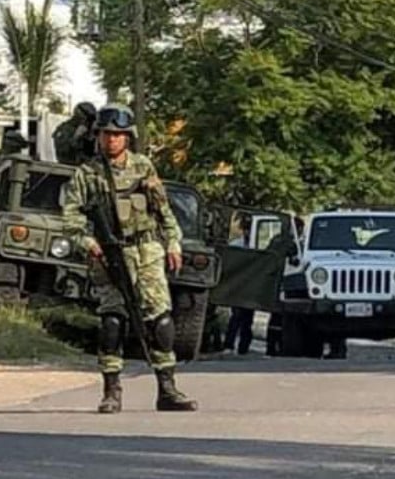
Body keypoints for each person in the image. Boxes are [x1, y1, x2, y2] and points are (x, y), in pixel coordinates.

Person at [62, 104, 197, 413]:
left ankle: (167, 389)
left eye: (118, 135)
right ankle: (112, 391)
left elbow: (163, 211)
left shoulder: (143, 167)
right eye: (106, 134)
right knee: (112, 321)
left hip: (147, 251)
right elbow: (70, 218)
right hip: (110, 255)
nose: (112, 140)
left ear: (128, 138)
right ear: (98, 136)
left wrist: (174, 243)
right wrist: (88, 242)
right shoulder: (87, 174)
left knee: (160, 321)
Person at [224, 216, 256, 355]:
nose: (248, 232)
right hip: (237, 287)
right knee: (236, 317)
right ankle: (229, 345)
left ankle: (244, 347)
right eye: (247, 228)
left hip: (251, 287)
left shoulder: (257, 245)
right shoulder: (235, 245)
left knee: (247, 320)